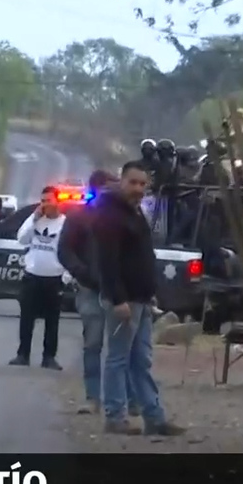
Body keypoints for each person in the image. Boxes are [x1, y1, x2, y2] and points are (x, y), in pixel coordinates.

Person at [96, 161, 186, 436]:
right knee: (118, 359)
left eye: (142, 184)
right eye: (133, 182)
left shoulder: (136, 214)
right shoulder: (110, 215)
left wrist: (150, 294)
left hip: (142, 301)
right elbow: (107, 262)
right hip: (124, 302)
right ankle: (114, 416)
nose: (138, 188)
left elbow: (142, 256)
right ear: (121, 181)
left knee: (141, 361)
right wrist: (118, 299)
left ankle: (154, 418)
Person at [57, 170, 138, 415]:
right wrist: (83, 273)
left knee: (124, 345)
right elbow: (65, 251)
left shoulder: (126, 216)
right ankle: (93, 397)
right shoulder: (79, 217)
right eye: (109, 187)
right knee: (93, 343)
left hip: (120, 290)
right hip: (91, 288)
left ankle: (128, 398)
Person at [8, 187, 66, 369]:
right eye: (42, 201)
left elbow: (71, 250)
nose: (45, 204)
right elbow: (22, 239)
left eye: (48, 200)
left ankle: (49, 357)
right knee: (26, 318)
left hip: (54, 278)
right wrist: (34, 218)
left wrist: (66, 276)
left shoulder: (65, 224)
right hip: (32, 276)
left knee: (52, 321)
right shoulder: (35, 221)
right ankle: (22, 354)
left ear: (57, 201)